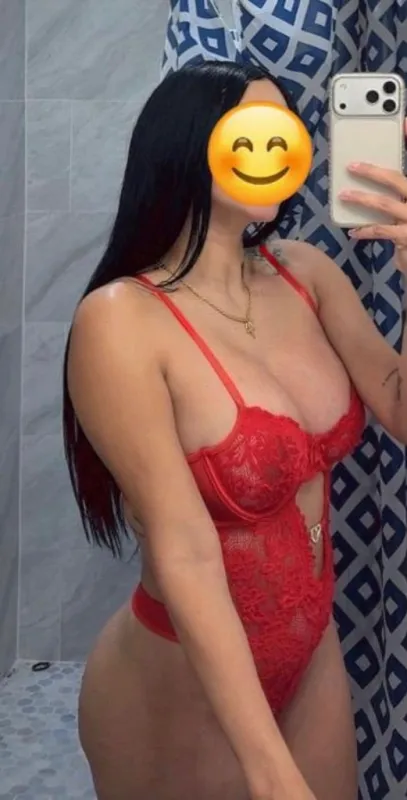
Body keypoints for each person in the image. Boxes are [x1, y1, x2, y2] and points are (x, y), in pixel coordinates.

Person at [63, 61, 407, 800]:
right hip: (178, 676)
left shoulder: (305, 273)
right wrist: (271, 773)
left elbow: (398, 407)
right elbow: (184, 549)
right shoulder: (120, 319)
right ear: (188, 142)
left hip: (310, 655)